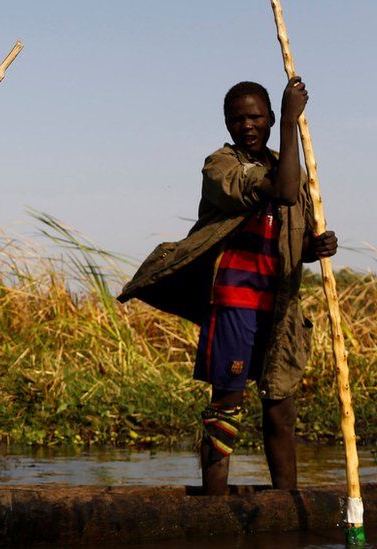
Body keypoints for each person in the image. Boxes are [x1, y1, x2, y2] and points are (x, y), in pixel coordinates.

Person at [118, 77, 337, 495]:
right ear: (227, 124)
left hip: (280, 308)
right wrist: (292, 120)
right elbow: (283, 192)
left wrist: (317, 246)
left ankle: (285, 503)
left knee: (280, 408)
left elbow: (293, 239)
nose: (247, 125)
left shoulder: (288, 164)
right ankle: (215, 504)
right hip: (234, 301)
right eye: (237, 119)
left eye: (256, 117)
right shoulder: (221, 166)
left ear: (268, 119)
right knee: (226, 407)